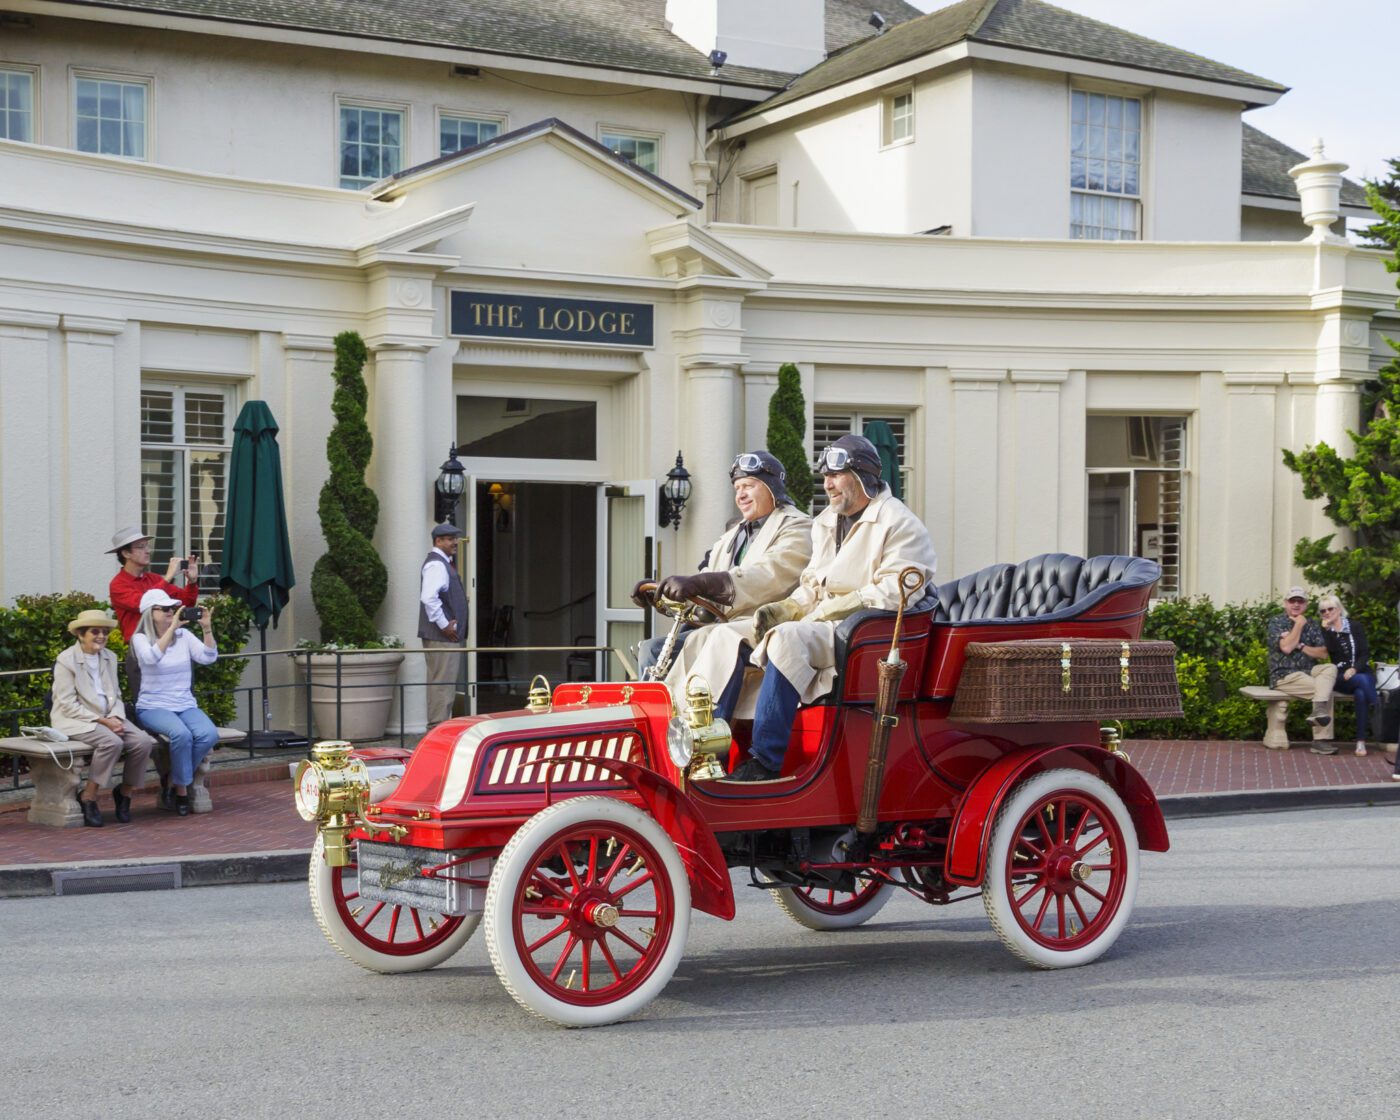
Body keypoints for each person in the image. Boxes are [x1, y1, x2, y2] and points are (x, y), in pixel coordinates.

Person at [711, 433, 937, 782]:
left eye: (835, 476)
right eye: (826, 478)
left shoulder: (900, 522)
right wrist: (785, 607)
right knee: (729, 635)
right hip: (820, 624)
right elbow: (812, 586)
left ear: (862, 476)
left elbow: (899, 590)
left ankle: (765, 761)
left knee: (786, 639)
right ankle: (710, 749)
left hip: (861, 635)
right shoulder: (825, 522)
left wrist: (845, 604)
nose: (828, 485)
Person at [634, 451, 811, 682]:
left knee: (657, 652)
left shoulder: (798, 527)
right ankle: (662, 713)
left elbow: (768, 576)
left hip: (762, 631)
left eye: (748, 486)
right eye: (737, 488)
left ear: (771, 488)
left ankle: (677, 715)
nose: (741, 495)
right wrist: (663, 595)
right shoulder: (733, 535)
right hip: (721, 628)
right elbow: (706, 583)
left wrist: (700, 583)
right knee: (651, 647)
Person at [50, 608, 156, 827]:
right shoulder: (66, 660)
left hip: (110, 716)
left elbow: (115, 695)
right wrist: (104, 721)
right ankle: (88, 797)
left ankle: (124, 793)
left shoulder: (110, 657)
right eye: (95, 632)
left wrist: (115, 717)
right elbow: (67, 704)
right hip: (76, 719)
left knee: (144, 741)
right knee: (111, 742)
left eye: (105, 632)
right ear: (81, 634)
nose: (101, 637)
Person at [130, 588, 219, 816]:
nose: (172, 612)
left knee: (209, 734)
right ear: (151, 613)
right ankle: (180, 791)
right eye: (166, 608)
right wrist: (172, 629)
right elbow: (151, 658)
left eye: (173, 608)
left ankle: (171, 780)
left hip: (185, 704)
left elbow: (208, 658)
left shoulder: (184, 637)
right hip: (152, 706)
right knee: (182, 735)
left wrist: (207, 628)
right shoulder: (140, 638)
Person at [1266, 586, 1337, 754]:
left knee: (1330, 667)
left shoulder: (1312, 623)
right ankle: (1321, 741)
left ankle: (1318, 713)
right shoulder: (1277, 622)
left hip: (1308, 671)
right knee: (1325, 691)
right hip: (1285, 675)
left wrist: (1301, 645)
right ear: (1285, 603)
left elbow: (1322, 653)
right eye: (1292, 601)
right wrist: (1298, 625)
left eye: (1300, 601)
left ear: (1305, 604)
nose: (1296, 605)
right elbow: (1287, 648)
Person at [107, 526, 198, 640]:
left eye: (147, 545)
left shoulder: (154, 579)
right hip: (139, 647)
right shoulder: (118, 584)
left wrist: (192, 582)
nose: (148, 551)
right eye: (141, 547)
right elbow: (144, 604)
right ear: (126, 553)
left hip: (165, 643)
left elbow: (186, 602)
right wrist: (168, 577)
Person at [419, 522, 468, 727]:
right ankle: (436, 729)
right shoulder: (436, 564)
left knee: (444, 683)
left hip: (444, 637)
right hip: (442, 637)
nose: (455, 542)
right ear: (438, 541)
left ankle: (439, 727)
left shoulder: (442, 562)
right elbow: (429, 598)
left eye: (455, 538)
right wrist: (445, 625)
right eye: (449, 539)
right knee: (442, 684)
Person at [1318, 593, 1379, 757]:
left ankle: (1361, 742)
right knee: (1362, 681)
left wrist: (1355, 669)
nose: (1327, 613)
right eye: (1323, 611)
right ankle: (1379, 708)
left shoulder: (1355, 626)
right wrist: (1327, 630)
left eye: (1330, 609)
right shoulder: (1324, 631)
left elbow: (1365, 654)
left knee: (1361, 692)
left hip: (1360, 673)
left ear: (1338, 609)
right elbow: (1328, 652)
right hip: (1340, 677)